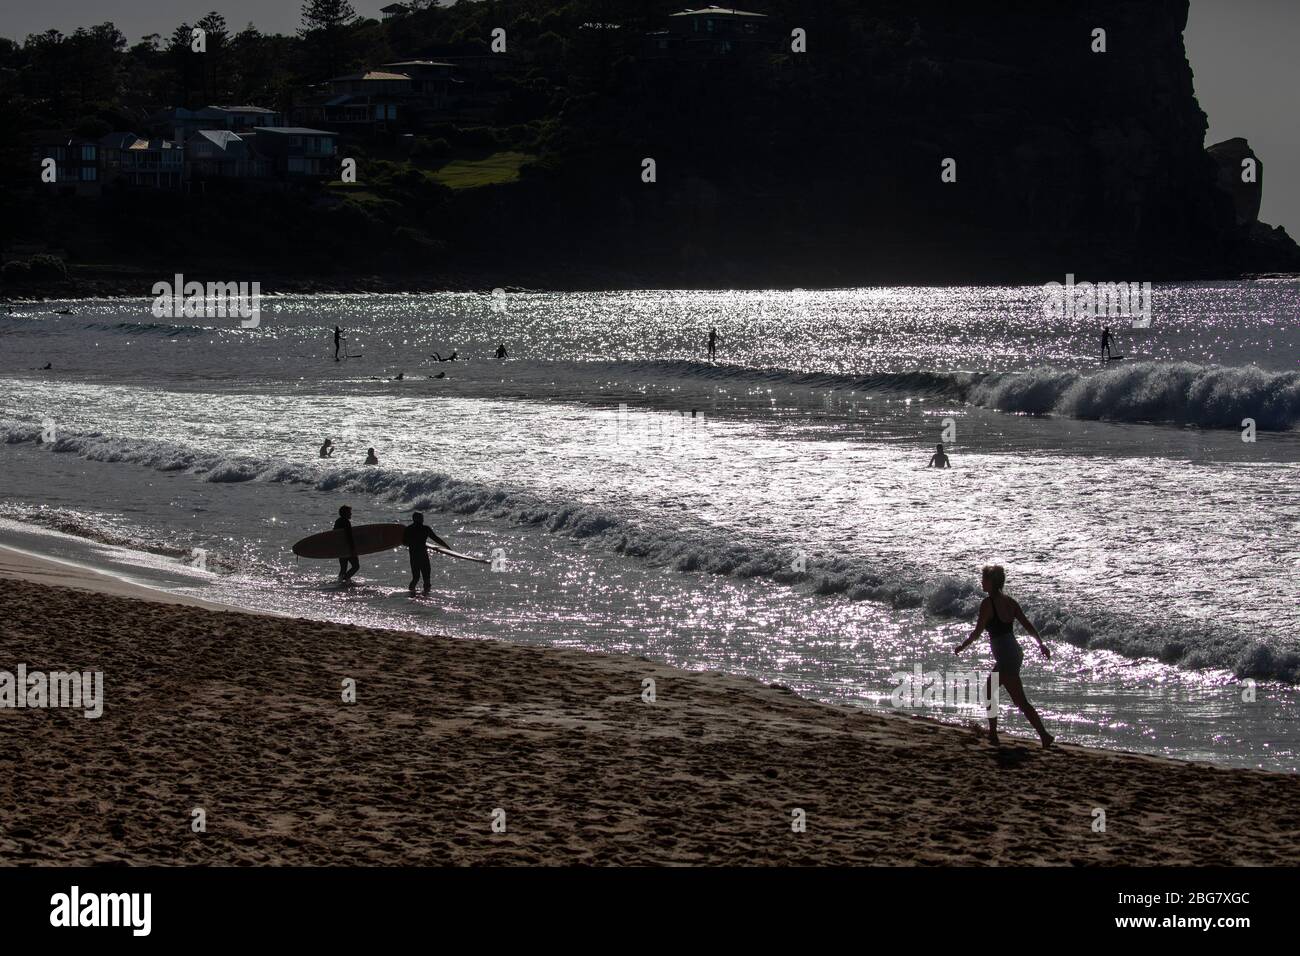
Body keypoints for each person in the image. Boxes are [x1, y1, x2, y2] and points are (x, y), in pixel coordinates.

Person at [953, 565, 1053, 748]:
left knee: (1019, 700)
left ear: (992, 582)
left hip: (1007, 656)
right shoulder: (1010, 601)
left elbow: (977, 633)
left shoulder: (987, 604)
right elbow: (1028, 625)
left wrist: (962, 646)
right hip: (1014, 652)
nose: (982, 582)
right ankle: (993, 734)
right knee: (990, 690)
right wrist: (1041, 645)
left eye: (984, 579)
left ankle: (1044, 735)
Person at [403, 511, 451, 595]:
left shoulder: (408, 529)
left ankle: (410, 593)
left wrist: (413, 543)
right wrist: (447, 547)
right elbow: (436, 539)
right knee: (426, 578)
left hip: (414, 556)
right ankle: (426, 595)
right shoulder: (425, 528)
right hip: (423, 556)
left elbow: (404, 542)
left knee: (416, 578)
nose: (423, 519)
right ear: (419, 519)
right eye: (421, 517)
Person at [334, 505, 359, 583]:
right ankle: (345, 579)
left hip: (341, 548)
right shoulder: (346, 522)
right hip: (348, 549)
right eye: (349, 512)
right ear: (345, 513)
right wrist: (353, 549)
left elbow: (334, 534)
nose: (351, 514)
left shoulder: (337, 521)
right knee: (356, 566)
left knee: (343, 568)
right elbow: (349, 536)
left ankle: (340, 581)